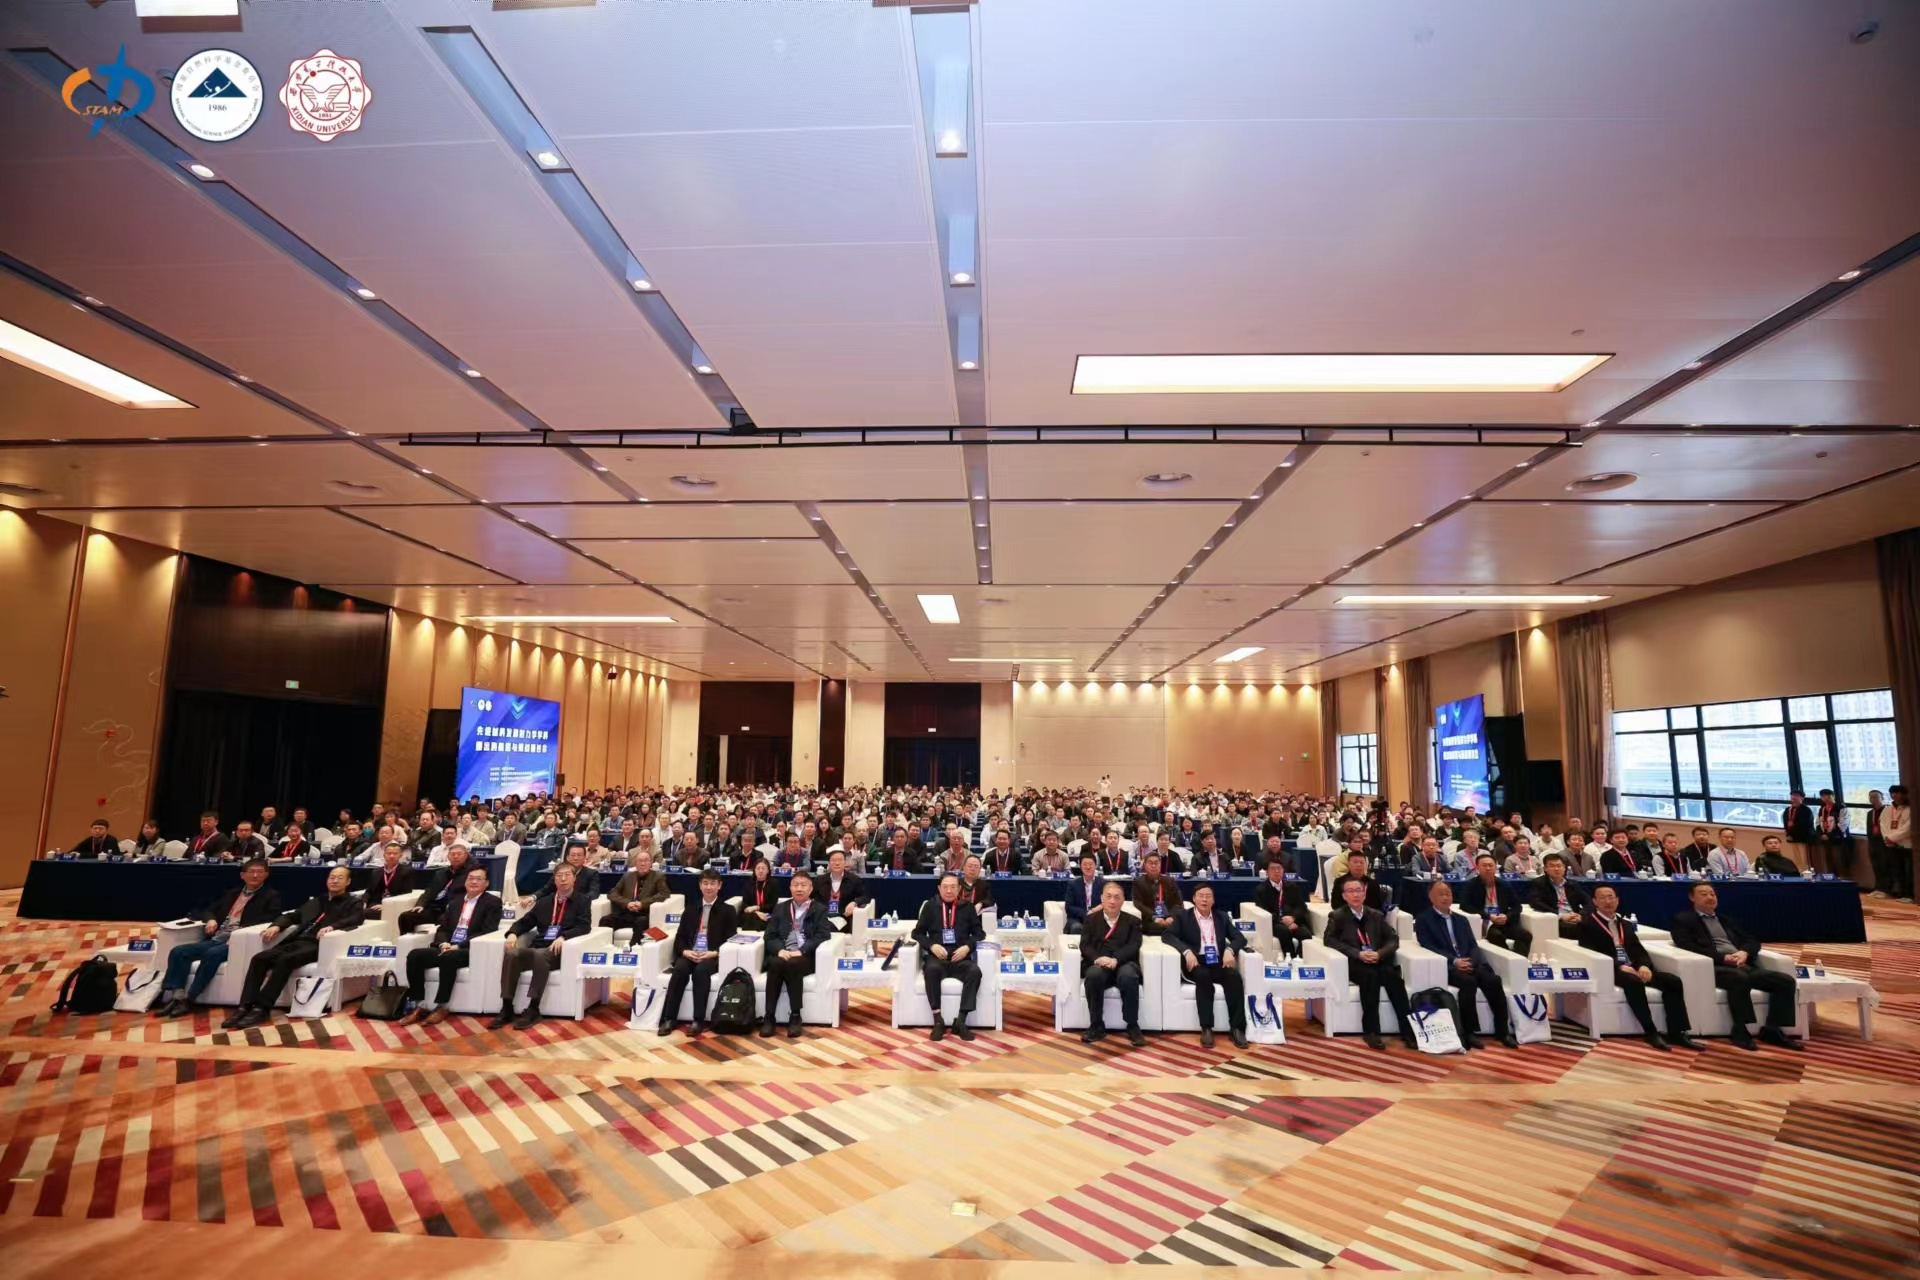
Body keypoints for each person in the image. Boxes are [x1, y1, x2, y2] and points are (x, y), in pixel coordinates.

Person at [222, 865, 365, 1031]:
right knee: (259, 958)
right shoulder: (319, 900)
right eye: (332, 877)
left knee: (285, 960)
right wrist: (277, 926)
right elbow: (294, 915)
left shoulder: (353, 902)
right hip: (298, 941)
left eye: (340, 878)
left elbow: (356, 918)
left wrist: (333, 927)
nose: (335, 881)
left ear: (348, 882)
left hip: (319, 945)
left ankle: (262, 1008)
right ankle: (244, 1006)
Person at [1669, 882, 1802, 1052]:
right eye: (1703, 894)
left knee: (1785, 981)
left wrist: (1744, 953)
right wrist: (1723, 958)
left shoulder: (1726, 920)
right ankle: (1740, 1030)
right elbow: (1687, 945)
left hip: (1742, 965)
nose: (1710, 897)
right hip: (1714, 967)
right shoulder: (1683, 920)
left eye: (1712, 894)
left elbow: (1751, 940)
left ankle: (1772, 1029)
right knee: (1739, 978)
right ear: (1691, 897)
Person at [1574, 884, 1700, 1052]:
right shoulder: (1587, 924)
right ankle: (1651, 1031)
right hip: (1610, 969)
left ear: (1617, 900)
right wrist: (1618, 965)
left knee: (1672, 981)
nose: (1608, 901)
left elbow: (1638, 950)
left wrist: (1644, 965)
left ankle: (1677, 1032)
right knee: (1633, 982)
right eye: (1602, 898)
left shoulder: (1625, 924)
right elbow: (1590, 951)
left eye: (1611, 897)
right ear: (1595, 901)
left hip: (1634, 967)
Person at [154, 857, 282, 1018]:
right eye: (251, 872)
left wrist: (240, 931)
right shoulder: (232, 893)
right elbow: (209, 910)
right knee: (179, 952)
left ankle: (190, 999)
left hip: (236, 941)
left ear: (266, 874)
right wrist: (211, 920)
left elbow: (270, 918)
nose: (255, 875)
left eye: (260, 872)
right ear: (242, 875)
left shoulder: (271, 896)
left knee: (212, 954)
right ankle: (177, 998)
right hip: (217, 938)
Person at [1413, 880, 1516, 1049]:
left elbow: (1473, 945)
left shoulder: (1461, 920)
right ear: (1430, 897)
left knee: (1494, 981)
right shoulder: (1424, 920)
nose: (1445, 897)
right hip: (1448, 966)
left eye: (1448, 894)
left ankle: (1503, 1031)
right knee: (1468, 983)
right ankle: (1469, 1032)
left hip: (1470, 963)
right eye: (1441, 894)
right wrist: (1454, 961)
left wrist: (1471, 961)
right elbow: (1428, 946)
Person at [493, 862, 593, 1030]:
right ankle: (507, 1007)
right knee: (512, 954)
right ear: (554, 880)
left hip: (559, 952)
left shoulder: (582, 901)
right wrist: (512, 933)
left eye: (567, 875)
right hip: (538, 947)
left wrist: (564, 936)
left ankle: (533, 1008)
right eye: (559, 876)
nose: (563, 879)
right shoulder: (545, 902)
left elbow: (584, 926)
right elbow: (526, 921)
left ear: (574, 878)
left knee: (540, 955)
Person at [397, 867, 501, 1026]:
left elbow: (488, 931)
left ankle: (442, 1006)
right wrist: (442, 943)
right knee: (415, 955)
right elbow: (443, 927)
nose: (474, 881)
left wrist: (458, 946)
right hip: (447, 946)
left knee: (448, 957)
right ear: (465, 881)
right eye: (471, 878)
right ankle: (419, 1004)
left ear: (486, 883)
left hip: (468, 949)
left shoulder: (492, 902)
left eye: (479, 879)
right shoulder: (456, 901)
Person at [1322, 876, 1414, 1051]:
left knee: (1394, 979)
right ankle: (1371, 1031)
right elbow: (1330, 940)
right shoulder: (1338, 916)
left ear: (1364, 894)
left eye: (1358, 890)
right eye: (1350, 891)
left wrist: (1380, 954)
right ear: (1344, 896)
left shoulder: (1376, 915)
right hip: (1355, 962)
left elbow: (1393, 939)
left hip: (1377, 959)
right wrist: (1357, 954)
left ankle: (1408, 1031)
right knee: (1370, 977)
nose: (1355, 895)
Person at [655, 868, 738, 1037]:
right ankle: (669, 1018)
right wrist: (685, 952)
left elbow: (731, 939)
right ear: (700, 886)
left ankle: (698, 1020)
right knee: (679, 970)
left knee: (701, 972)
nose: (709, 887)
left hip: (712, 956)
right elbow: (679, 938)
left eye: (713, 883)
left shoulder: (728, 910)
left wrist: (714, 953)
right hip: (691, 954)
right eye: (705, 883)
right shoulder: (691, 909)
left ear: (719, 885)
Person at [1165, 884, 1249, 1048]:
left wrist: (1230, 950)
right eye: (1201, 895)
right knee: (1203, 977)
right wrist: (1186, 951)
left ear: (1213, 900)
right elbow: (1167, 935)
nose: (1204, 899)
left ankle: (1237, 1028)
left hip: (1218, 960)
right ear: (1194, 898)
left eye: (1208, 896)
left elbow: (1240, 938)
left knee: (1234, 977)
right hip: (1196, 961)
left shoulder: (1221, 917)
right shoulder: (1184, 916)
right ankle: (1207, 1028)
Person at [912, 872, 984, 1041]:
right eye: (945, 887)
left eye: (953, 887)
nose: (949, 891)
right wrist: (932, 945)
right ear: (939, 888)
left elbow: (979, 933)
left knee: (975, 972)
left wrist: (967, 947)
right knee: (931, 970)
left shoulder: (968, 907)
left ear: (959, 889)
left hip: (960, 958)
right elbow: (917, 933)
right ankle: (938, 1021)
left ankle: (961, 1021)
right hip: (938, 958)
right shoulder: (930, 906)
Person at [762, 871, 829, 1039]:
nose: (799, 889)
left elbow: (822, 935)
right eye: (796, 885)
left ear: (811, 889)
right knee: (776, 963)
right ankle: (769, 1017)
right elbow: (769, 936)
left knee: (793, 964)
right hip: (783, 953)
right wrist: (780, 950)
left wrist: (803, 950)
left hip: (805, 956)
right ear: (790, 888)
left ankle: (795, 1016)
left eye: (803, 885)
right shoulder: (780, 908)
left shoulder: (819, 909)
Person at [1079, 882, 1146, 1046]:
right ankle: (1096, 1026)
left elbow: (1134, 945)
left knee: (1128, 976)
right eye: (1108, 897)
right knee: (1093, 975)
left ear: (1123, 900)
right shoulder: (1090, 920)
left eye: (1117, 897)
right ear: (1102, 898)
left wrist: (1116, 959)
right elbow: (1085, 945)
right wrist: (1098, 959)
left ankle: (1132, 1025)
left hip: (1124, 963)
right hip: (1100, 964)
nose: (1112, 901)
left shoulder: (1133, 921)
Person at [1457, 853, 1532, 955]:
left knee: (1526, 936)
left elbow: (1517, 906)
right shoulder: (1471, 885)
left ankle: (1520, 959)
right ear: (1477, 868)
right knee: (1497, 936)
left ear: (1496, 867)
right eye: (1484, 865)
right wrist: (1488, 916)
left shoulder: (1504, 884)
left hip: (1502, 921)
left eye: (1491, 865)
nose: (1488, 868)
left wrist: (1507, 916)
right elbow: (1464, 905)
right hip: (1484, 921)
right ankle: (1508, 959)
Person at [397, 844, 475, 933]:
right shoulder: (441, 873)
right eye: (452, 854)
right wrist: (421, 904)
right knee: (405, 916)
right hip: (434, 909)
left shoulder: (471, 874)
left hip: (451, 910)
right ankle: (407, 940)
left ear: (466, 856)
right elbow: (429, 891)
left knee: (444, 921)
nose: (455, 857)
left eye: (459, 854)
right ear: (448, 856)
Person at [1253, 856, 1309, 957]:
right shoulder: (1261, 890)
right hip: (1274, 922)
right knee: (1284, 932)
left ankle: (1299, 959)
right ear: (1267, 872)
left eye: (1279, 868)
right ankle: (1290, 959)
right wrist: (1283, 921)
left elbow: (1302, 906)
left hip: (1292, 920)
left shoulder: (1292, 887)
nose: (1276, 871)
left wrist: (1292, 917)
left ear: (1283, 871)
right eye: (1273, 869)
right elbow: (1264, 911)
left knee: (1305, 934)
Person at [608, 848, 669, 929]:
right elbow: (612, 893)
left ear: (651, 862)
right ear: (635, 864)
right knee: (606, 920)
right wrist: (627, 903)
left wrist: (642, 904)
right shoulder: (628, 876)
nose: (643, 864)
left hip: (644, 914)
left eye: (646, 860)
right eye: (640, 861)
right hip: (626, 913)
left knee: (641, 922)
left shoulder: (658, 876)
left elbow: (664, 893)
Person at [1131, 850, 1182, 935]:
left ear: (1160, 865)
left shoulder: (1170, 881)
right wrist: (1154, 917)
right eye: (1150, 863)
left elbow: (1178, 902)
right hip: (1151, 919)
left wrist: (1172, 916)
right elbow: (1137, 903)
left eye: (1156, 863)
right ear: (1145, 865)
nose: (1153, 866)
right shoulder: (1139, 882)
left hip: (1169, 918)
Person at [818, 849, 868, 927]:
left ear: (845, 862)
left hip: (844, 918)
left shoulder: (854, 880)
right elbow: (812, 898)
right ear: (829, 863)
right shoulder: (819, 880)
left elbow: (864, 897)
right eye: (833, 860)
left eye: (840, 860)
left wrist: (854, 903)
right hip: (822, 917)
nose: (837, 863)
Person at [362, 840, 415, 907]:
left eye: (395, 853)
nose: (392, 856)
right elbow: (369, 891)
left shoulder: (407, 871)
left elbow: (406, 894)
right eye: (389, 853)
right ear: (384, 855)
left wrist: (385, 905)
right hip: (374, 904)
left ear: (401, 855)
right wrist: (364, 903)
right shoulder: (376, 872)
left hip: (394, 905)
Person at [739, 857, 784, 931]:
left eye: (763, 868)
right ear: (754, 870)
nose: (760, 871)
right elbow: (744, 904)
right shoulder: (749, 884)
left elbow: (773, 905)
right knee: (748, 918)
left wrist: (757, 907)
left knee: (772, 920)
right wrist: (757, 913)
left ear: (768, 870)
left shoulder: (773, 884)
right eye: (758, 868)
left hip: (767, 913)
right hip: (752, 914)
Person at [1886, 785, 1914, 903]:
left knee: (1909, 871)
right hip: (1892, 845)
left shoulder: (1910, 809)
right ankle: (1901, 893)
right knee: (1897, 870)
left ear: (1903, 794)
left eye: (1897, 793)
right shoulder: (1888, 809)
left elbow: (1908, 828)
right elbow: (1884, 825)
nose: (1894, 795)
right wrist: (1888, 838)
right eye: (1892, 793)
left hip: (1907, 845)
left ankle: (1910, 895)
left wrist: (1893, 838)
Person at [1064, 851, 1107, 926]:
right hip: (1077, 919)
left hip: (1097, 918)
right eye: (1085, 864)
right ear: (1080, 866)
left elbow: (1106, 903)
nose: (1088, 867)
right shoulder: (1073, 884)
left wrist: (1093, 911)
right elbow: (1069, 907)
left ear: (1095, 866)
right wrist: (1086, 914)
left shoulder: (1103, 884)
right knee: (1076, 927)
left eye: (1090, 864)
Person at [1814, 789, 1851, 878]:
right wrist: (1821, 834)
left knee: (1839, 861)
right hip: (1825, 840)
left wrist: (1829, 835)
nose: (1826, 798)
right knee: (1828, 861)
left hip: (1838, 839)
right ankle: (1830, 880)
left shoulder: (1841, 808)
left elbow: (1843, 824)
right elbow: (1818, 823)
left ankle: (1842, 881)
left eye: (1828, 796)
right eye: (1823, 796)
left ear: (1833, 796)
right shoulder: (1822, 809)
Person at [1781, 789, 1816, 873]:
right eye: (1792, 796)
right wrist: (1788, 834)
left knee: (1804, 857)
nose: (1794, 798)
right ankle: (1799, 871)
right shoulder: (1788, 809)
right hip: (1792, 837)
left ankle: (1807, 872)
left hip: (1803, 837)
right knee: (1796, 856)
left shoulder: (1806, 810)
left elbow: (1804, 824)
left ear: (1802, 798)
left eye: (1796, 796)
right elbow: (1786, 823)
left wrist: (1792, 833)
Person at [1866, 789, 1892, 898]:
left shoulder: (1888, 810)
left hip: (1885, 842)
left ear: (1882, 797)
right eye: (1871, 797)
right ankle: (1878, 888)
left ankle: (1886, 890)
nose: (1873, 799)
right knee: (1876, 866)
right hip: (1874, 842)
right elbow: (1869, 830)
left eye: (1875, 797)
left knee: (1885, 866)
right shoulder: (1870, 813)